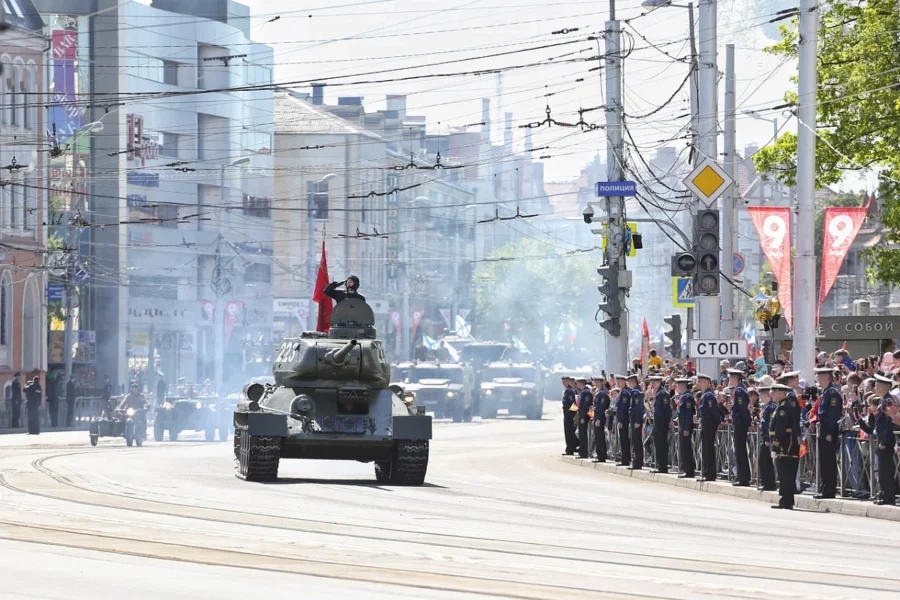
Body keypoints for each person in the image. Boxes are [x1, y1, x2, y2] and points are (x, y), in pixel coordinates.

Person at [770, 383, 801, 509]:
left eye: (773, 392)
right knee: (787, 473)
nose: (771, 394)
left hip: (785, 445)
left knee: (785, 473)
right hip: (788, 443)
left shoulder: (783, 407)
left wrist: (775, 445)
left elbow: (780, 429)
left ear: (779, 393)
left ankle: (786, 500)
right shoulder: (786, 405)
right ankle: (787, 500)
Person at [814, 367, 842, 499]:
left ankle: (829, 489)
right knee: (824, 461)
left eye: (819, 377)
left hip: (828, 429)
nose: (818, 379)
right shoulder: (826, 392)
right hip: (824, 428)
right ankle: (825, 487)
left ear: (826, 377)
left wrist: (830, 432)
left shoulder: (832, 393)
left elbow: (833, 415)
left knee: (828, 461)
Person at [873, 374, 897, 505]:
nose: (876, 387)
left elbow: (889, 423)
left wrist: (884, 442)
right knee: (881, 470)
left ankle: (888, 496)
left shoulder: (888, 401)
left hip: (886, 441)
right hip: (882, 438)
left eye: (877, 385)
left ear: (883, 386)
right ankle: (884, 494)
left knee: (885, 470)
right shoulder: (884, 400)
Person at [728, 368, 752, 487]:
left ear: (735, 378)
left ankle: (743, 478)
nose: (729, 380)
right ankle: (742, 476)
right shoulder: (740, 390)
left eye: (731, 377)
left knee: (740, 451)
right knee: (739, 451)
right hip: (740, 423)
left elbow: (743, 410)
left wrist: (748, 423)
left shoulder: (739, 391)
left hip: (740, 424)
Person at [697, 373, 720, 481]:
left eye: (700, 381)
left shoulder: (709, 395)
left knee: (708, 449)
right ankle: (707, 473)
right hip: (706, 423)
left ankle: (710, 474)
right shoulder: (705, 394)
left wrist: (717, 423)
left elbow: (713, 411)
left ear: (706, 382)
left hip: (709, 424)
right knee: (706, 449)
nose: (698, 383)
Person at [757, 379, 778, 491]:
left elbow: (770, 425)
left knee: (765, 461)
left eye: (760, 394)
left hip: (768, 439)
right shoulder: (767, 406)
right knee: (763, 461)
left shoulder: (771, 407)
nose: (759, 396)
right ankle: (767, 483)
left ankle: (769, 483)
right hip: (765, 438)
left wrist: (768, 438)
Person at [649, 375, 672, 474]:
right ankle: (659, 465)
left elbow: (667, 410)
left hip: (662, 423)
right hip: (658, 422)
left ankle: (662, 466)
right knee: (657, 444)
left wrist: (668, 421)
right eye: (651, 383)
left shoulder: (663, 394)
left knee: (661, 445)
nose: (652, 385)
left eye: (654, 383)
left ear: (659, 382)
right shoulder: (658, 394)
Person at [675, 377, 695, 478]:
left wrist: (687, 428)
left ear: (682, 385)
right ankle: (686, 469)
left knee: (686, 449)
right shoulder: (683, 396)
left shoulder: (687, 397)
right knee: (683, 448)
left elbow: (688, 414)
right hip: (682, 425)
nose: (677, 387)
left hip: (685, 426)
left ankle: (688, 470)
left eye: (678, 385)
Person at [628, 373, 644, 470]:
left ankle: (637, 462)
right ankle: (636, 461)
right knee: (635, 441)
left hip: (636, 420)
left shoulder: (636, 392)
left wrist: (638, 420)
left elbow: (638, 408)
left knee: (636, 441)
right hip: (634, 419)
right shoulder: (635, 391)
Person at [592, 376, 610, 462]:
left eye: (598, 382)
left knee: (600, 436)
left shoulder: (602, 393)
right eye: (596, 382)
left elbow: (602, 407)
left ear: (602, 383)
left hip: (600, 417)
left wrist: (598, 419)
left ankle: (601, 456)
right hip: (596, 416)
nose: (597, 383)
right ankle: (600, 454)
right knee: (597, 436)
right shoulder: (598, 392)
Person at [615, 374, 631, 466]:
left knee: (624, 439)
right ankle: (625, 458)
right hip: (623, 419)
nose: (618, 383)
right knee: (623, 439)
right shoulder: (623, 391)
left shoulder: (625, 392)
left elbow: (624, 408)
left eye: (619, 381)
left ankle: (625, 460)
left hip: (624, 420)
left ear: (624, 381)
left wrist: (621, 421)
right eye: (617, 381)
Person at [560, 376, 578, 455]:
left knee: (569, 432)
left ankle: (570, 449)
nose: (564, 383)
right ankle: (570, 447)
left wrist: (571, 415)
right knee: (567, 432)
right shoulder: (566, 391)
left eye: (565, 381)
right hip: (567, 413)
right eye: (563, 381)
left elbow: (573, 404)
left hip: (569, 414)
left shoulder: (570, 391)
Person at [576, 377, 592, 459]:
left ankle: (584, 453)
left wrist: (582, 417)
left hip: (584, 416)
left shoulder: (586, 392)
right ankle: (582, 452)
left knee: (583, 434)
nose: (577, 385)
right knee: (581, 434)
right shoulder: (583, 392)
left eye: (577, 383)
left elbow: (585, 406)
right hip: (582, 415)